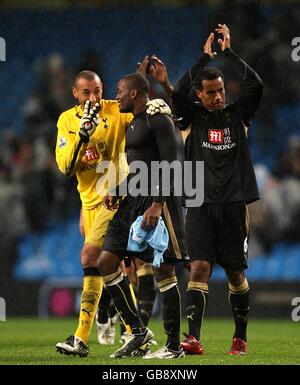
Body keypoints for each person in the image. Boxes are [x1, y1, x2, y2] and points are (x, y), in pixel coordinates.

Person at [55, 70, 170, 357]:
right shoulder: (67, 121)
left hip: (116, 198)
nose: (94, 97)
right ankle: (135, 332)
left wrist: (161, 104)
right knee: (112, 267)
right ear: (75, 94)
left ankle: (82, 337)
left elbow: (145, 121)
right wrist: (83, 136)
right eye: (86, 93)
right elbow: (65, 168)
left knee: (90, 257)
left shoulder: (115, 110)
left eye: (97, 90)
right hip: (89, 202)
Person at [172, 24, 264, 355]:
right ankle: (193, 338)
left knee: (236, 274)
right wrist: (203, 59)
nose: (218, 96)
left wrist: (229, 54)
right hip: (198, 203)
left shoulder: (238, 116)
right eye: (210, 92)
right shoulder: (191, 118)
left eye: (221, 90)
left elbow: (256, 85)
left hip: (234, 204)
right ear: (200, 94)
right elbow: (177, 94)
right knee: (198, 267)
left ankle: (240, 336)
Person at [97, 72, 187, 359]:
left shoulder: (158, 119)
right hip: (133, 200)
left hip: (158, 202)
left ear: (134, 93)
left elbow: (173, 163)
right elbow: (140, 169)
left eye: (120, 91)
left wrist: (159, 203)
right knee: (106, 261)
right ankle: (138, 332)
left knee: (164, 271)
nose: (117, 94)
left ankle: (173, 346)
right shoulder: (134, 122)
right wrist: (117, 189)